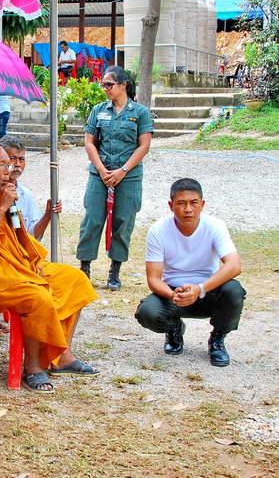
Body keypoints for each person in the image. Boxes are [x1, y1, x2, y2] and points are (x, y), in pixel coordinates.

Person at [0, 144, 99, 393]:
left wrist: (30, 261)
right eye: (3, 165)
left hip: (16, 263)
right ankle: (32, 368)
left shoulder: (3, 190)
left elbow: (18, 236)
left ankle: (61, 357)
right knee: (37, 297)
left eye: (10, 165)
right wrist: (0, 208)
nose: (9, 170)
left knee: (75, 279)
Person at [134, 178, 245, 367]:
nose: (188, 209)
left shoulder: (215, 226)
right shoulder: (158, 230)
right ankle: (174, 329)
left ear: (202, 204)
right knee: (147, 313)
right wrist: (172, 294)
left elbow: (234, 266)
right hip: (173, 294)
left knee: (234, 290)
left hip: (207, 291)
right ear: (171, 206)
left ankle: (217, 340)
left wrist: (200, 289)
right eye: (181, 203)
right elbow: (153, 279)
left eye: (193, 203)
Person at [76, 66, 153, 291]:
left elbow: (144, 145)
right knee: (92, 219)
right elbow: (89, 142)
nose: (105, 89)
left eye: (109, 84)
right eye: (103, 84)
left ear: (123, 85)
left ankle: (115, 270)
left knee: (123, 221)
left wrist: (123, 171)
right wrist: (101, 170)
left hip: (128, 176)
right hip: (99, 174)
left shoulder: (139, 112)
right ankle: (85, 268)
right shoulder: (98, 110)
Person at [0, 136, 61, 241]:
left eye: (21, 159)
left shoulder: (25, 194)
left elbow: (31, 237)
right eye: (12, 159)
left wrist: (47, 216)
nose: (17, 164)